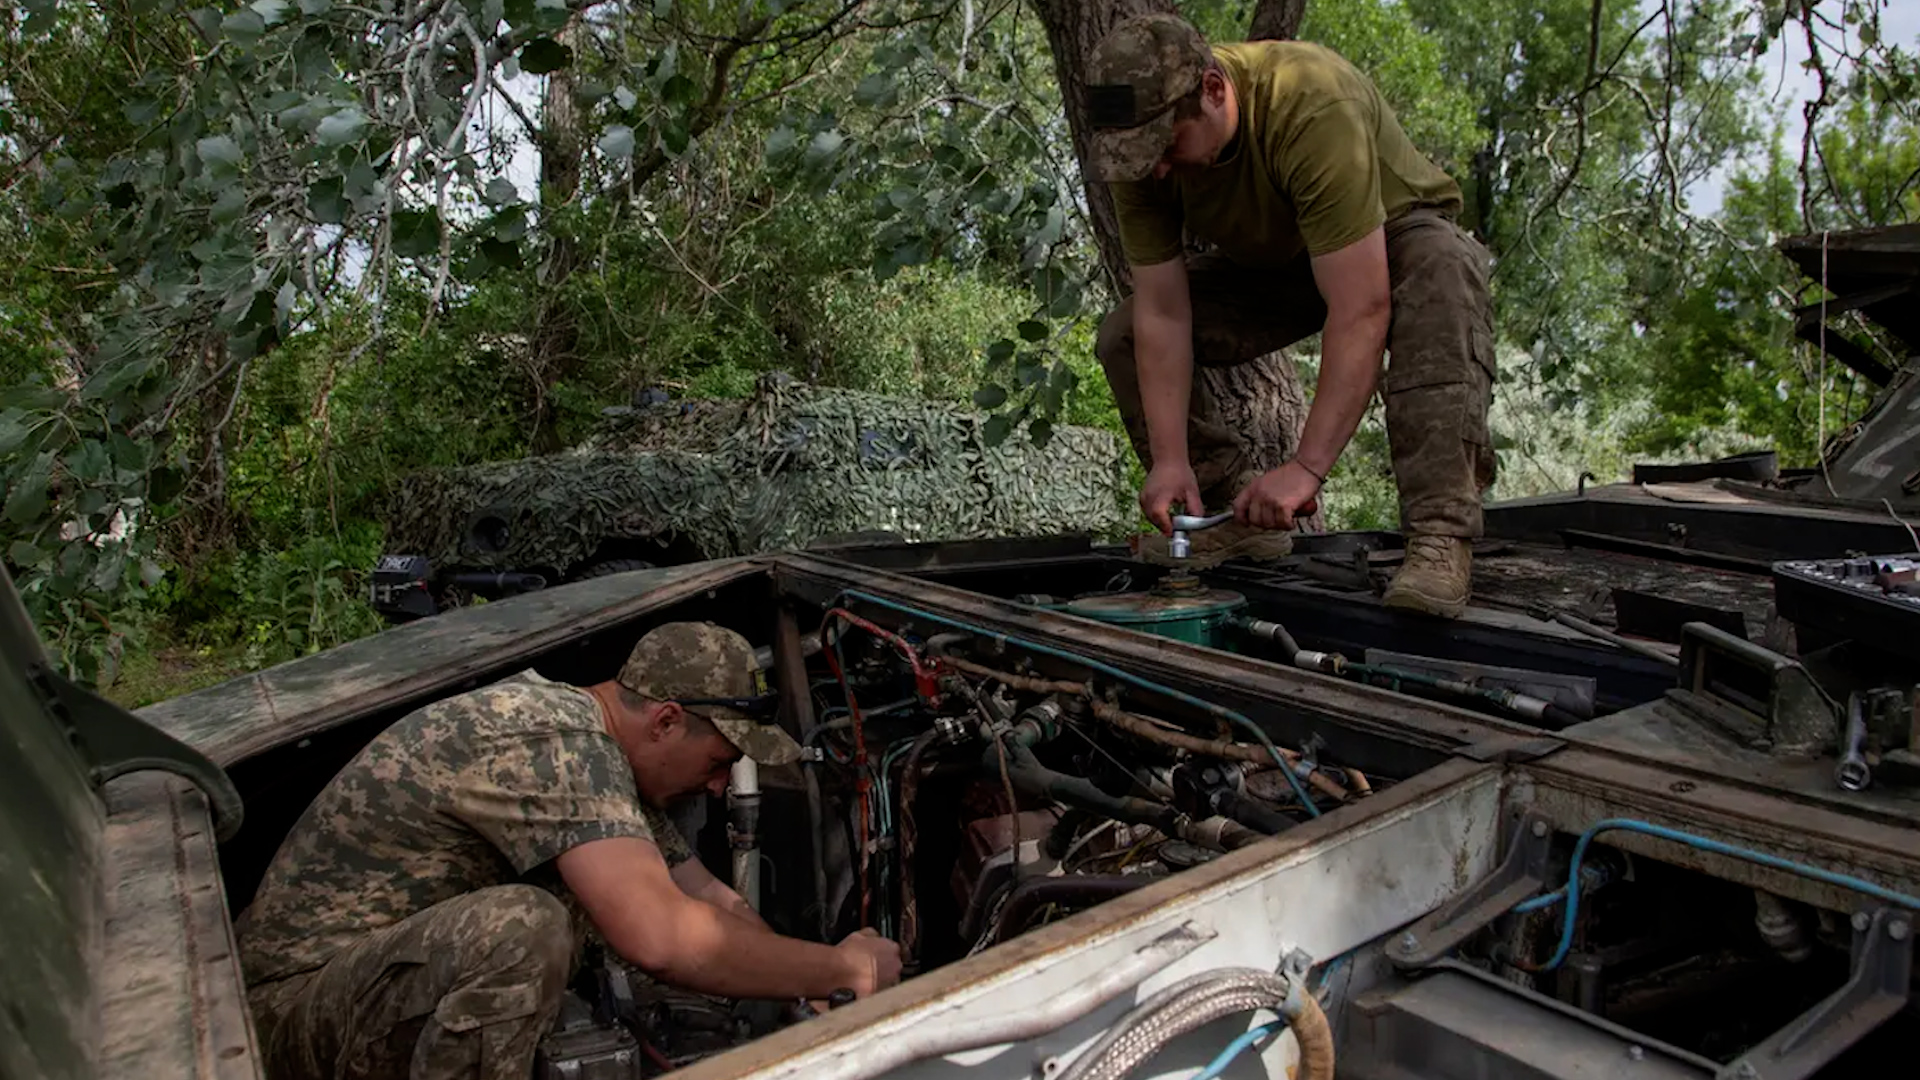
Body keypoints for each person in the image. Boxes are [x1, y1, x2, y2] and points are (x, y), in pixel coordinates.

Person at [236, 620, 902, 1080]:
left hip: (362, 995)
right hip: (286, 1020)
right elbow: (662, 939)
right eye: (720, 759)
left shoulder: (605, 758)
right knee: (523, 929)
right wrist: (840, 971)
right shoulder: (554, 740)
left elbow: (707, 898)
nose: (721, 783)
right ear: (667, 720)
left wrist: (800, 983)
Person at [1086, 13, 1497, 617]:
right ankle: (1228, 515)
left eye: (1166, 148)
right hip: (1279, 267)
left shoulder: (1308, 102)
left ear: (1214, 89)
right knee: (1120, 333)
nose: (1157, 170)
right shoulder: (1143, 152)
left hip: (1389, 240)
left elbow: (1362, 306)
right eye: (1140, 157)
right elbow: (1163, 314)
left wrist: (1306, 468)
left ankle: (1440, 537)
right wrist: (1171, 458)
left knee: (1442, 264)